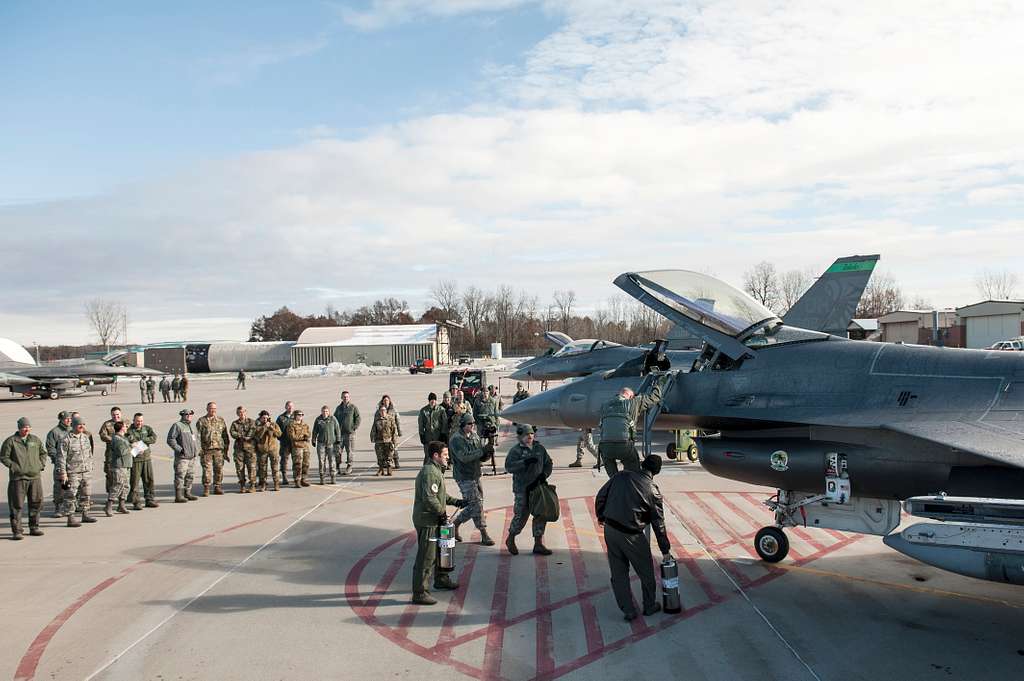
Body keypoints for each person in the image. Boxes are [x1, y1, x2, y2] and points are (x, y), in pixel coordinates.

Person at [595, 455, 673, 621]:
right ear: (657, 471)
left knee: (618, 572)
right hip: (631, 535)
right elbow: (658, 524)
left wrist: (601, 516)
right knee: (646, 571)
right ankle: (649, 606)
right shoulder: (653, 490)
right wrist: (665, 550)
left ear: (643, 465)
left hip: (610, 529)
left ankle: (628, 610)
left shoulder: (621, 476)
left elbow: (601, 496)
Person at [410, 441, 465, 606]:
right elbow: (429, 498)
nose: (448, 458)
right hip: (428, 521)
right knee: (426, 557)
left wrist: (457, 502)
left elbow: (440, 494)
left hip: (435, 518)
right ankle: (419, 593)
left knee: (442, 551)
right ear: (436, 456)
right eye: (445, 455)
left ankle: (441, 579)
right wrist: (441, 513)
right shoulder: (430, 473)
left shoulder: (436, 470)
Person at [598, 377, 667, 478]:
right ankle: (631, 487)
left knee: (613, 478)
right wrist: (659, 384)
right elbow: (654, 397)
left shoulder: (605, 405)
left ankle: (615, 486)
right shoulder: (634, 402)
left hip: (605, 448)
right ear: (630, 396)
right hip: (624, 446)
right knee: (634, 476)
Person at [503, 424, 553, 556]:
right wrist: (524, 462)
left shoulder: (539, 448)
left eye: (531, 434)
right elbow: (509, 466)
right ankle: (511, 538)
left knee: (541, 514)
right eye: (526, 434)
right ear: (520, 436)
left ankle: (538, 543)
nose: (529, 436)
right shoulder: (516, 451)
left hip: (538, 487)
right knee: (521, 514)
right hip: (522, 488)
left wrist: (544, 475)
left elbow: (548, 463)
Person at [448, 414, 494, 546]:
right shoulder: (456, 440)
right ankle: (484, 534)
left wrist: (488, 451)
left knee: (475, 504)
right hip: (464, 477)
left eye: (473, 423)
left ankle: (455, 524)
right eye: (469, 423)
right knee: (477, 504)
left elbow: (480, 457)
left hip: (475, 474)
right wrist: (481, 451)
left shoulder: (474, 436)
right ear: (463, 425)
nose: (472, 425)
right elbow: (464, 457)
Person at [1, 417, 47, 539]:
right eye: (24, 427)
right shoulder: (11, 441)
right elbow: (4, 457)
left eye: (28, 427)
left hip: (35, 477)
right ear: (19, 428)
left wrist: (40, 465)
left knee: (36, 503)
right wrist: (14, 467)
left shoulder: (35, 440)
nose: (26, 429)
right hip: (18, 478)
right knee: (16, 505)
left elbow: (43, 453)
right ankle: (17, 531)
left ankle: (34, 527)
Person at [58, 416, 98, 526]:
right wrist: (63, 473)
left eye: (83, 424)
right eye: (79, 424)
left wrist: (90, 466)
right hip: (72, 472)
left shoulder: (85, 437)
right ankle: (70, 517)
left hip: (86, 471)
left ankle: (85, 514)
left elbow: (89, 453)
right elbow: (61, 457)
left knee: (86, 493)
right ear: (73, 425)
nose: (82, 426)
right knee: (71, 495)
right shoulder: (66, 439)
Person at [196, 402, 231, 496]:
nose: (213, 410)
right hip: (206, 450)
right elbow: (197, 437)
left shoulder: (220, 420)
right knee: (207, 470)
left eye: (214, 408)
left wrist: (226, 450)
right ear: (207, 409)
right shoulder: (201, 421)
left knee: (219, 469)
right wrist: (199, 450)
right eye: (211, 408)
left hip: (218, 450)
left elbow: (225, 435)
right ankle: (206, 488)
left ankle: (217, 487)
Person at [126, 413, 159, 510]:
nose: (139, 423)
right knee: (135, 482)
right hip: (136, 459)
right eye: (137, 421)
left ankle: (149, 499)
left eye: (141, 421)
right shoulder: (129, 430)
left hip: (146, 458)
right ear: (134, 420)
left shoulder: (147, 428)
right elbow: (129, 440)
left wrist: (142, 440)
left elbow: (154, 438)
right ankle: (136, 502)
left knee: (149, 480)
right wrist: (138, 441)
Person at [166, 409, 199, 503]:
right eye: (186, 414)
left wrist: (197, 450)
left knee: (190, 475)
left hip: (192, 456)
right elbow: (170, 439)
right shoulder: (177, 425)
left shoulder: (191, 426)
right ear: (182, 415)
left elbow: (196, 440)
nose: (189, 416)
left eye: (190, 414)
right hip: (182, 457)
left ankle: (187, 492)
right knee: (180, 475)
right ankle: (178, 495)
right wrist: (179, 449)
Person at [45, 411, 72, 517]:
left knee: (72, 485)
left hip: (72, 464)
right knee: (60, 486)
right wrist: (59, 460)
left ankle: (71, 506)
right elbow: (50, 448)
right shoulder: (54, 432)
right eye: (66, 419)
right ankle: (58, 507)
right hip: (60, 464)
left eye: (70, 418)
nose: (69, 420)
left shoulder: (72, 430)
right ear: (61, 420)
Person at [104, 421, 132, 516]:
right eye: (125, 426)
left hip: (126, 465)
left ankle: (121, 505)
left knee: (126, 486)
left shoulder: (123, 438)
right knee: (117, 486)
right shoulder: (116, 439)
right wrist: (132, 447)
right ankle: (109, 506)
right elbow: (121, 451)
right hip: (119, 466)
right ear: (121, 428)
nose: (126, 428)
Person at [229, 406, 257, 492]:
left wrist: (248, 436)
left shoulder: (251, 422)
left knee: (251, 467)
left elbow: (253, 431)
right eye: (239, 412)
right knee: (239, 468)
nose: (241, 414)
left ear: (246, 412)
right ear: (237, 414)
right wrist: (240, 436)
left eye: (243, 412)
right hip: (239, 449)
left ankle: (252, 485)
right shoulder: (235, 423)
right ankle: (242, 485)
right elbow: (232, 432)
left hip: (250, 448)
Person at [99, 407, 125, 495]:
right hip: (111, 453)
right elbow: (103, 435)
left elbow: (130, 434)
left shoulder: (126, 423)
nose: (116, 416)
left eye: (117, 414)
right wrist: (114, 440)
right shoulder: (107, 424)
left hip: (124, 453)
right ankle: (110, 494)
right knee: (110, 474)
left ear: (121, 414)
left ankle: (124, 495)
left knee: (124, 474)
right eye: (114, 415)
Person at [312, 405, 341, 484]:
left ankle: (333, 477)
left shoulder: (333, 419)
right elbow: (315, 431)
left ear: (329, 412)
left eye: (326, 411)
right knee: (321, 461)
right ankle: (322, 477)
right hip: (321, 443)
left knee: (332, 461)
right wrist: (313, 440)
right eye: (324, 411)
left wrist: (338, 439)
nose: (325, 413)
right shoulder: (318, 420)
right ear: (321, 412)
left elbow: (337, 429)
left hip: (331, 444)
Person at [254, 410, 282, 491]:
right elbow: (257, 437)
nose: (265, 419)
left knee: (275, 468)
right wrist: (264, 428)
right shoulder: (258, 426)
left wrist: (271, 428)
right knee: (262, 468)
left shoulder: (273, 424)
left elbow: (279, 434)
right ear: (260, 418)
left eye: (267, 418)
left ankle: (276, 484)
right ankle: (263, 484)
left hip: (273, 449)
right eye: (263, 418)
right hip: (262, 450)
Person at [334, 391, 360, 476]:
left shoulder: (353, 407)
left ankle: (349, 466)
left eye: (347, 397)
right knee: (338, 451)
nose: (345, 398)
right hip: (340, 434)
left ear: (349, 398)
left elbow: (358, 418)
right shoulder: (338, 408)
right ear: (341, 398)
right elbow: (334, 419)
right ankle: (337, 467)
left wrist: (354, 427)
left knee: (350, 451)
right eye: (344, 397)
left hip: (349, 434)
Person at [370, 403, 398, 476]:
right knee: (380, 456)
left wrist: (394, 441)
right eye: (381, 410)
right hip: (379, 441)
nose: (383, 412)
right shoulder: (377, 420)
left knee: (389, 455)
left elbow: (394, 430)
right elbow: (374, 429)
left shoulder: (390, 419)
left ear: (386, 411)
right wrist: (372, 438)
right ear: (379, 411)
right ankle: (381, 469)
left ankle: (389, 469)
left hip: (388, 440)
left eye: (384, 410)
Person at [417, 393, 445, 463]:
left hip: (437, 436)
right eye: (431, 400)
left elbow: (444, 422)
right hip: (428, 436)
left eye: (434, 400)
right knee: (428, 455)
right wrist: (421, 434)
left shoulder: (441, 410)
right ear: (429, 401)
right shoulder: (424, 411)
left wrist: (443, 434)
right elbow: (421, 424)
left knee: (437, 455)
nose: (433, 401)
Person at [287, 410, 312, 487]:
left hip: (305, 447)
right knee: (297, 464)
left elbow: (308, 433)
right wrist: (303, 437)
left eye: (302, 415)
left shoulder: (305, 425)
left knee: (306, 464)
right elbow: (292, 436)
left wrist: (306, 437)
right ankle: (297, 480)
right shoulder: (291, 425)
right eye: (299, 415)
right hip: (297, 447)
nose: (300, 416)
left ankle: (303, 479)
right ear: (295, 415)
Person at [378, 395, 403, 469]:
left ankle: (396, 461)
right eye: (384, 400)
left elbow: (397, 421)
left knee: (394, 447)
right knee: (385, 448)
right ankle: (387, 463)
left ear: (389, 401)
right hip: (384, 433)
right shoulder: (379, 410)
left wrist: (399, 431)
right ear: (382, 401)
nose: (386, 402)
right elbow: (376, 421)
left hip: (393, 432)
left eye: (387, 400)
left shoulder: (393, 410)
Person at [276, 401, 295, 485]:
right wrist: (280, 438)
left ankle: (296, 477)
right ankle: (284, 476)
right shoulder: (281, 418)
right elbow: (276, 429)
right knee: (284, 460)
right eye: (288, 406)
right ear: (285, 407)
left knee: (296, 460)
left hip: (295, 443)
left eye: (291, 406)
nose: (290, 408)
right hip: (285, 443)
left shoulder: (297, 416)